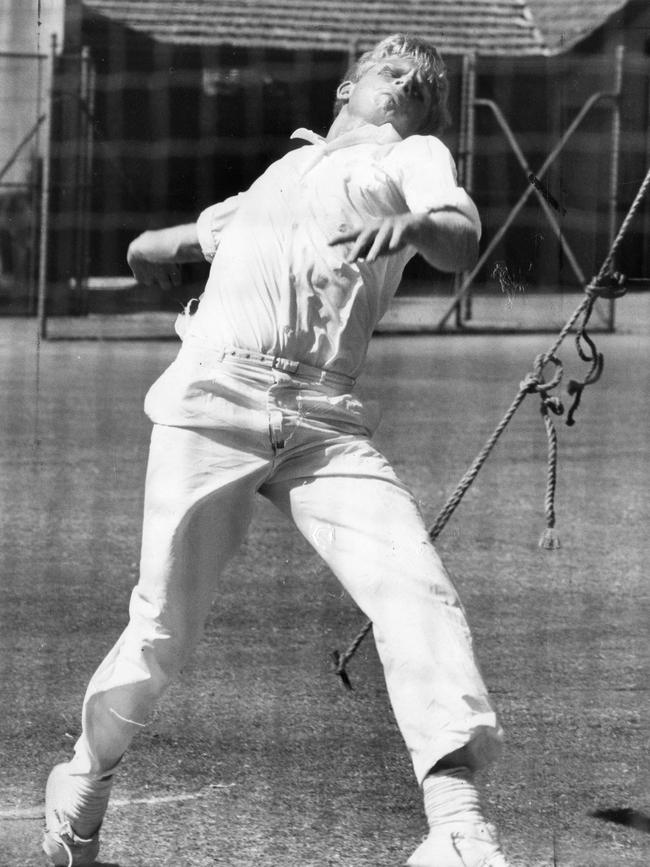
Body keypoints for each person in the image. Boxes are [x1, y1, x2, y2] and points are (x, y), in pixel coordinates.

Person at [43, 34, 511, 867]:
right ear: (345, 88)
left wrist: (417, 221)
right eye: (391, 69)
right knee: (162, 628)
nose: (411, 80)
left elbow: (460, 231)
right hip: (210, 399)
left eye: (424, 79)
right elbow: (156, 246)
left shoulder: (413, 156)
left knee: (418, 591)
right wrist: (169, 242)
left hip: (325, 417)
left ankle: (458, 828)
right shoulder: (277, 177)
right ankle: (85, 776)